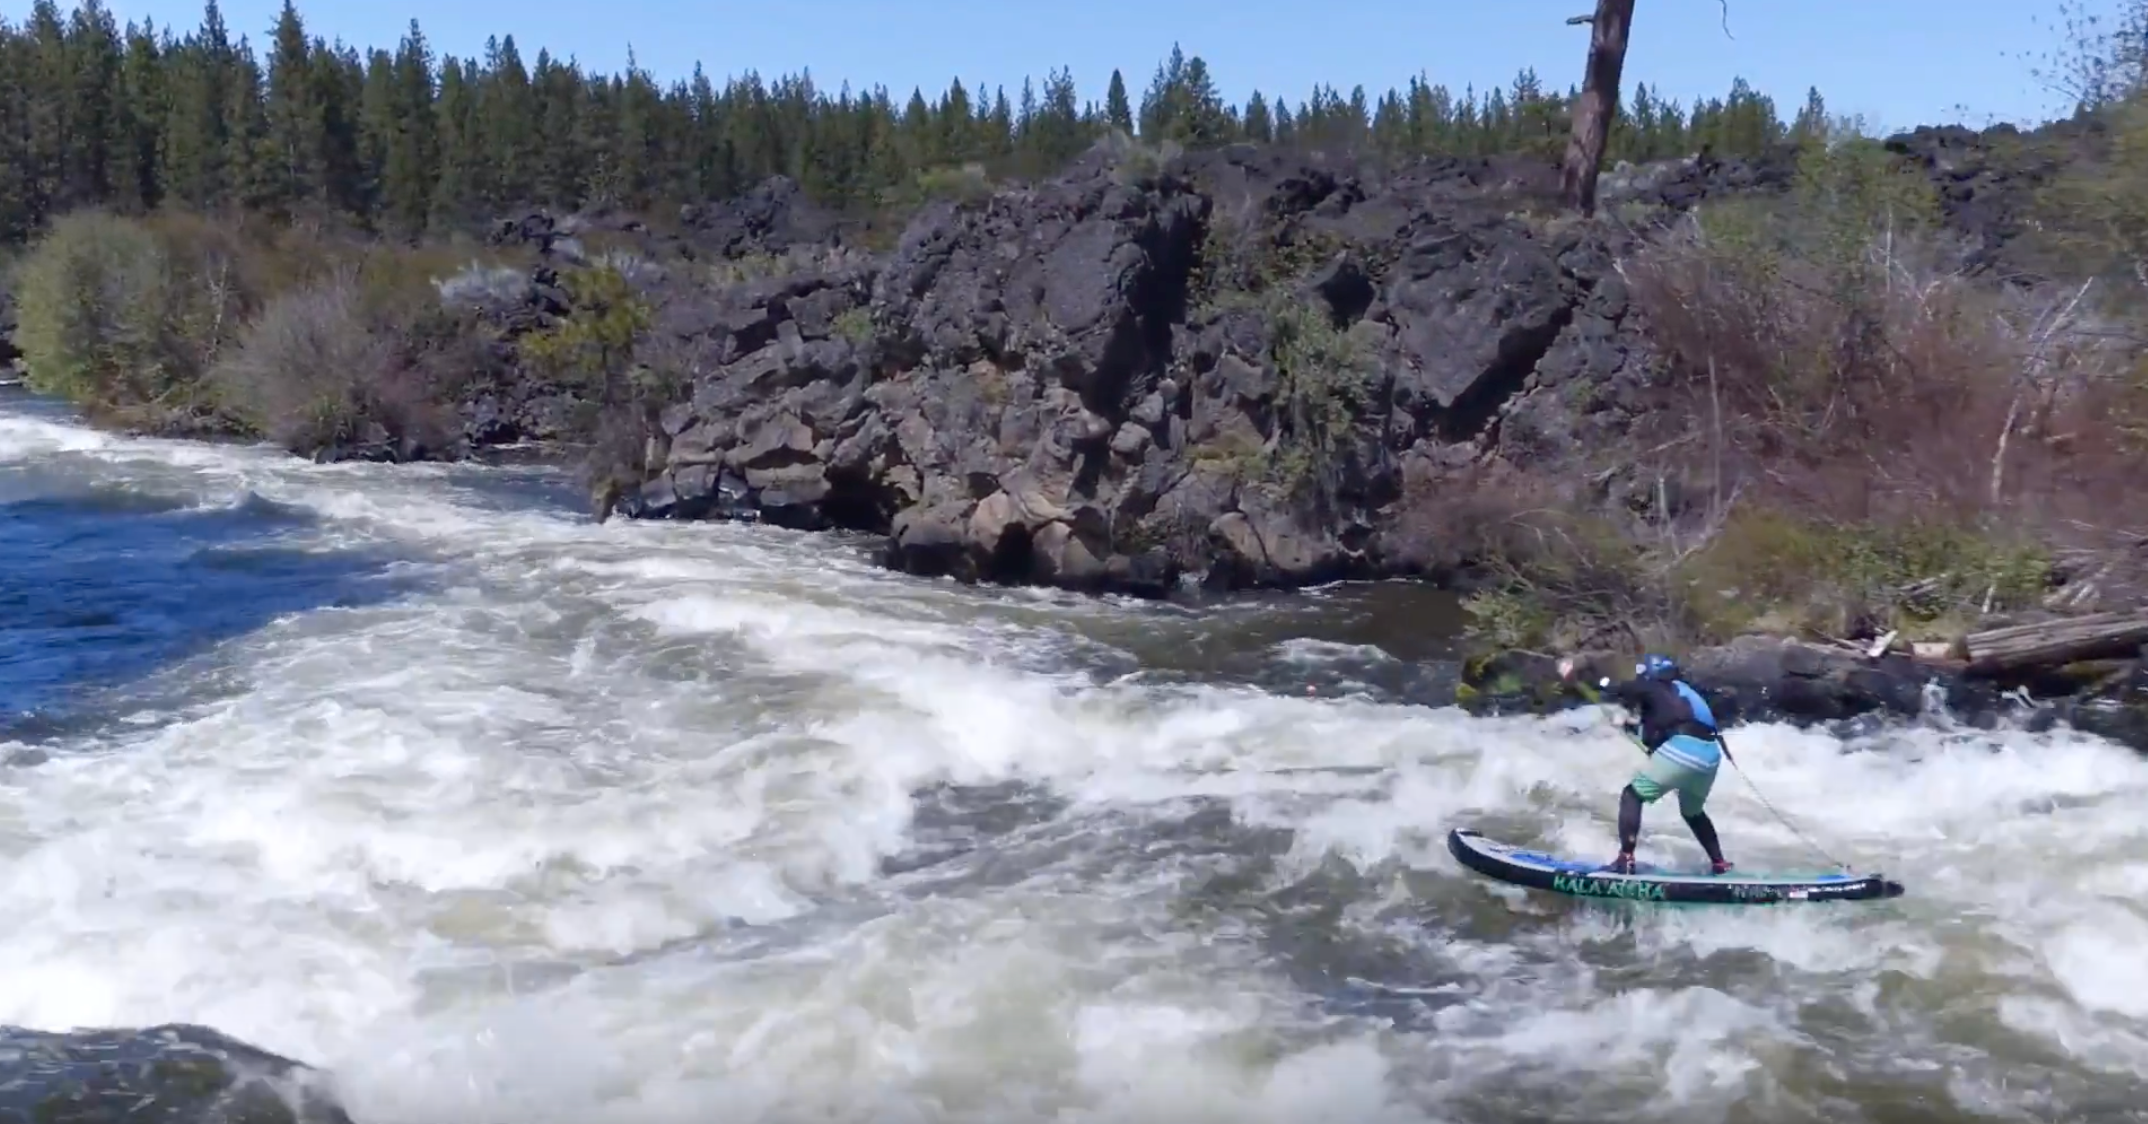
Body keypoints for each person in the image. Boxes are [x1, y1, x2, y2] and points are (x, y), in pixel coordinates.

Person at [1557, 653, 1734, 876]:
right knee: (1693, 812)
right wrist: (1633, 730)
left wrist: (1579, 677)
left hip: (1683, 750)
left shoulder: (1649, 685)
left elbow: (1612, 689)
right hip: (1711, 756)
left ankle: (1626, 859)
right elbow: (1666, 728)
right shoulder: (1685, 691)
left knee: (1631, 795)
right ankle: (1719, 863)